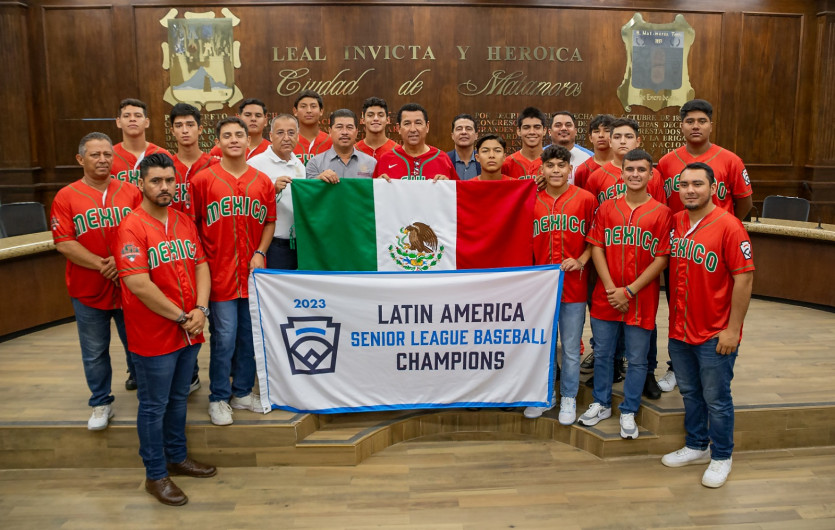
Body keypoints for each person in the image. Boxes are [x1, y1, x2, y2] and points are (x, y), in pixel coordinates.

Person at [115, 153, 217, 506]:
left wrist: (201, 310)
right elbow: (138, 283)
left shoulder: (183, 220)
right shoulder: (131, 225)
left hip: (190, 327)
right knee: (154, 405)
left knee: (178, 399)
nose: (164, 187)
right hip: (155, 333)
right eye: (156, 181)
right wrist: (181, 316)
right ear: (141, 184)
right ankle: (155, 474)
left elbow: (202, 265)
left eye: (169, 181)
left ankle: (176, 457)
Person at [661, 162, 754, 488]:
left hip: (715, 332)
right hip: (680, 329)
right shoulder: (675, 222)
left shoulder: (729, 226)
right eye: (684, 184)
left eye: (697, 184)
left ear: (713, 188)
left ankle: (721, 455)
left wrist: (732, 329)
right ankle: (697, 445)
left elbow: (744, 279)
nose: (689, 190)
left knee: (716, 397)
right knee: (690, 392)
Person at [653, 100, 755, 393]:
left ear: (711, 124)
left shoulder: (730, 160)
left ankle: (718, 354)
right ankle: (677, 367)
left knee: (716, 303)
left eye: (702, 121)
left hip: (716, 244)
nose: (695, 126)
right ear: (681, 125)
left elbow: (744, 200)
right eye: (690, 121)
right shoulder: (668, 161)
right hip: (681, 245)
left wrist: (726, 228)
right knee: (680, 306)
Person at [579, 149, 672, 439]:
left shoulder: (662, 212)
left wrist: (629, 291)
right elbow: (597, 248)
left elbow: (661, 258)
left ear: (651, 174)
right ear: (622, 173)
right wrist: (610, 289)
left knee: (638, 358)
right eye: (630, 169)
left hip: (640, 297)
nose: (635, 174)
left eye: (641, 170)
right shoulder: (607, 209)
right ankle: (601, 402)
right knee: (604, 354)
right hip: (606, 296)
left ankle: (629, 409)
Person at [50, 132, 141, 429]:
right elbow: (64, 241)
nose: (103, 160)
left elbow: (144, 230)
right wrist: (103, 264)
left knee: (137, 344)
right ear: (80, 159)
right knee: (94, 350)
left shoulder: (130, 191)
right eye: (95, 155)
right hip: (87, 288)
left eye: (107, 155)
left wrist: (120, 260)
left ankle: (146, 392)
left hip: (130, 284)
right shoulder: (66, 196)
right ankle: (101, 402)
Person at [191, 117, 277, 426]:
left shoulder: (262, 180)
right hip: (219, 273)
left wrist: (260, 251)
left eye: (239, 134)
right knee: (224, 337)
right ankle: (218, 396)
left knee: (249, 337)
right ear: (219, 141)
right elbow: (194, 225)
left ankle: (241, 393)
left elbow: (269, 221)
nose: (234, 140)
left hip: (252, 274)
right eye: (227, 135)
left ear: (248, 138)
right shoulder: (203, 180)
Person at [523, 146, 596, 423]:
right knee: (542, 345)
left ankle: (568, 398)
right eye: (550, 165)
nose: (556, 170)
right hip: (540, 289)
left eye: (561, 165)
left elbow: (595, 239)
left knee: (569, 346)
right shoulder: (531, 200)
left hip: (574, 286)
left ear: (570, 169)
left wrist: (581, 260)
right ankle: (545, 396)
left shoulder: (585, 199)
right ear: (541, 169)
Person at [248, 114, 306, 270]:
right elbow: (248, 204)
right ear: (271, 136)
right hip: (273, 246)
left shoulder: (299, 164)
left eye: (291, 133)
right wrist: (272, 190)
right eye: (280, 133)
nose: (286, 138)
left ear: (298, 136)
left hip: (298, 245)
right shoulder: (255, 164)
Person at [584, 118, 666, 205]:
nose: (623, 141)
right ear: (610, 142)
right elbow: (590, 212)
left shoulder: (654, 175)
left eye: (629, 137)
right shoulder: (596, 177)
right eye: (617, 137)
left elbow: (661, 211)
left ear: (638, 142)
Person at [373, 103, 456, 180]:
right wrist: (377, 185)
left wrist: (448, 185)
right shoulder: (385, 160)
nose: (413, 129)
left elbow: (458, 193)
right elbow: (371, 194)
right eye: (407, 123)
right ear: (398, 128)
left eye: (418, 123)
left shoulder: (443, 159)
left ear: (427, 127)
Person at [111, 98, 172, 187]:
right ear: (118, 122)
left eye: (138, 115)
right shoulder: (108, 156)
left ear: (147, 122)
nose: (132, 119)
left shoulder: (162, 154)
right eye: (126, 116)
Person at [306, 109, 377, 182]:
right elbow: (309, 191)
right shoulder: (315, 163)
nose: (344, 132)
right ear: (330, 131)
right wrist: (318, 180)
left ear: (356, 132)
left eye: (349, 127)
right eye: (339, 127)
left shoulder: (371, 163)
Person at [546, 111, 593, 183]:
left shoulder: (590, 157)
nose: (564, 128)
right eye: (558, 125)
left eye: (568, 125)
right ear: (549, 132)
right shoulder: (540, 155)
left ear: (576, 131)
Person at [502, 107, 547, 180]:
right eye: (526, 127)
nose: (532, 132)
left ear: (544, 131)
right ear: (518, 131)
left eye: (537, 127)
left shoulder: (552, 163)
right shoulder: (507, 164)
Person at [572, 114, 615, 190]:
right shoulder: (582, 170)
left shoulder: (624, 166)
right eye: (596, 131)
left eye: (607, 131)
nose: (601, 135)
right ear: (590, 137)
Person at [293, 90, 332, 165]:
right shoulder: (288, 141)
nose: (308, 110)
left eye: (313, 106)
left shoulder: (331, 143)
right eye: (303, 106)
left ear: (321, 111)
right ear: (295, 111)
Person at [355, 97, 397, 161]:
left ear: (388, 120)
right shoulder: (354, 150)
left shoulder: (397, 151)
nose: (376, 119)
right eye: (370, 115)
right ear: (363, 120)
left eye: (380, 115)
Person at [447, 114, 481, 180]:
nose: (464, 132)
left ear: (476, 135)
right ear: (452, 135)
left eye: (468, 129)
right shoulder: (444, 160)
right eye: (459, 129)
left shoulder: (483, 160)